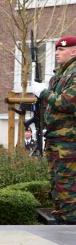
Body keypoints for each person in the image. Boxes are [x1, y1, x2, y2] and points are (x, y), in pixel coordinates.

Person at [32, 35, 75, 224]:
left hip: (69, 139)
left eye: (62, 49)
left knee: (67, 184)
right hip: (56, 138)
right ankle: (62, 220)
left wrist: (43, 92)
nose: (57, 52)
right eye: (56, 49)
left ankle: (70, 225)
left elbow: (67, 103)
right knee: (57, 183)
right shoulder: (60, 74)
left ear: (74, 51)